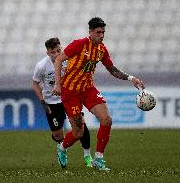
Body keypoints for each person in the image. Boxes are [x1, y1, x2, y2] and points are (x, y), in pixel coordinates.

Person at [53, 17, 145, 170]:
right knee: (78, 133)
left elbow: (112, 69)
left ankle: (99, 159)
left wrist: (131, 78)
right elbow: (58, 60)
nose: (101, 35)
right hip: (70, 92)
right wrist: (57, 84)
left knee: (106, 119)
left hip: (88, 89)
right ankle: (62, 148)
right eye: (98, 32)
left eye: (103, 32)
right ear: (90, 32)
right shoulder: (79, 44)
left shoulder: (102, 50)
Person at [32, 37, 93, 167]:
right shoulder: (41, 66)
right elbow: (35, 83)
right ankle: (62, 147)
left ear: (61, 49)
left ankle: (87, 156)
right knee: (58, 135)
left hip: (69, 98)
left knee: (80, 125)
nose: (56, 54)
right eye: (53, 52)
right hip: (51, 103)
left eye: (58, 51)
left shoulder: (69, 60)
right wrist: (42, 101)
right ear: (47, 53)